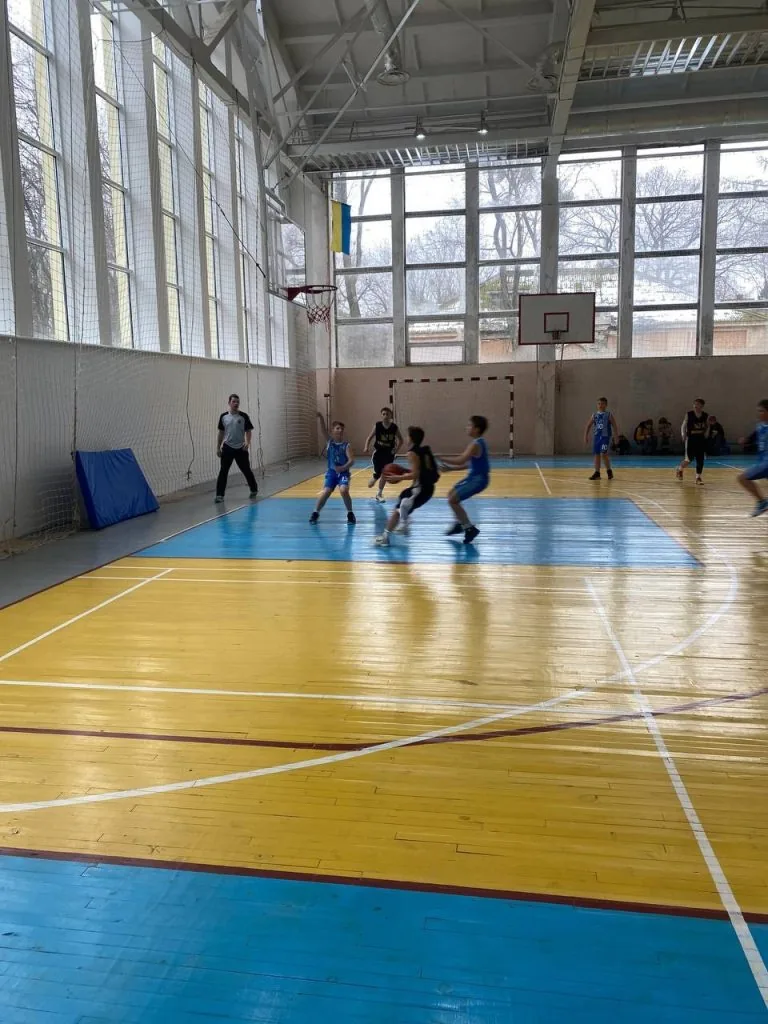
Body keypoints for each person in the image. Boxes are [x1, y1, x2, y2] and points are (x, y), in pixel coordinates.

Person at [374, 427, 439, 546]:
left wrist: (398, 477)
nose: (406, 438)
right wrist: (404, 471)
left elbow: (415, 474)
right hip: (424, 488)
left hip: (421, 489)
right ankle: (386, 536)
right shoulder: (423, 451)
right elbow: (421, 471)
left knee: (403, 504)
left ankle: (405, 524)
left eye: (407, 436)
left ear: (411, 438)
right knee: (399, 506)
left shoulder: (411, 453)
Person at [439, 415, 490, 545]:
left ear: (476, 429)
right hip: (473, 477)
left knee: (453, 500)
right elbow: (470, 464)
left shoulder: (475, 444)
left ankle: (469, 528)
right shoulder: (479, 442)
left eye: (469, 425)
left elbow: (461, 460)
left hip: (478, 480)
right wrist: (451, 469)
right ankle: (459, 523)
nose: (466, 427)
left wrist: (441, 457)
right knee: (451, 494)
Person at [310, 420, 356, 524]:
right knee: (326, 491)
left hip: (343, 473)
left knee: (344, 490)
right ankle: (315, 513)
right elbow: (323, 430)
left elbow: (351, 460)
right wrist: (321, 418)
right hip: (332, 473)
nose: (340, 430)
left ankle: (350, 513)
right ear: (332, 431)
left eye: (342, 429)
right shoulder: (330, 442)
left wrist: (343, 468)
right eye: (337, 428)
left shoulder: (346, 445)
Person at [215, 393, 259, 503]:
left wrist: (247, 443)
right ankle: (219, 495)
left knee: (246, 470)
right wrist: (218, 447)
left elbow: (248, 431)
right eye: (234, 401)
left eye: (237, 402)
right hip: (227, 448)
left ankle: (254, 489)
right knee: (223, 471)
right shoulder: (223, 417)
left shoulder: (243, 416)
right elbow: (221, 432)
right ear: (229, 403)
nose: (236, 403)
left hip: (241, 448)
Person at [363, 407, 403, 503]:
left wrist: (396, 450)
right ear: (381, 415)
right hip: (378, 453)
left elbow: (401, 440)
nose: (385, 416)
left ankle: (379, 494)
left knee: (385, 473)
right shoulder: (377, 426)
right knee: (378, 474)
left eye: (387, 414)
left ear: (390, 415)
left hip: (389, 454)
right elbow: (369, 438)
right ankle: (375, 476)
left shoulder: (394, 427)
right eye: (383, 414)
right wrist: (366, 447)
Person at [737, 400, 768, 517]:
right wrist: (746, 441)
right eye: (758, 411)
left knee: (742, 478)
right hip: (762, 461)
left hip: (766, 463)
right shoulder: (760, 426)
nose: (759, 414)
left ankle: (762, 502)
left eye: (761, 411)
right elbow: (754, 438)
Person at [677, 398, 710, 485]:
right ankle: (680, 469)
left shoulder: (705, 415)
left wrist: (707, 433)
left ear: (702, 406)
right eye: (694, 404)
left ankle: (698, 477)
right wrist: (683, 434)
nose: (695, 405)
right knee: (689, 459)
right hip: (691, 439)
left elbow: (708, 426)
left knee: (700, 459)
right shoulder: (689, 414)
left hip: (701, 439)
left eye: (697, 404)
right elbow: (683, 425)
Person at [585, 398, 619, 480]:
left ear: (606, 405)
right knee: (597, 454)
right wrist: (585, 436)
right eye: (599, 404)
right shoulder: (594, 415)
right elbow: (588, 426)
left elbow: (614, 426)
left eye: (603, 404)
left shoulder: (609, 414)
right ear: (597, 405)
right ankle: (597, 473)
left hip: (605, 437)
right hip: (597, 437)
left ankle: (609, 470)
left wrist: (616, 437)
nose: (601, 405)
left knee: (603, 454)